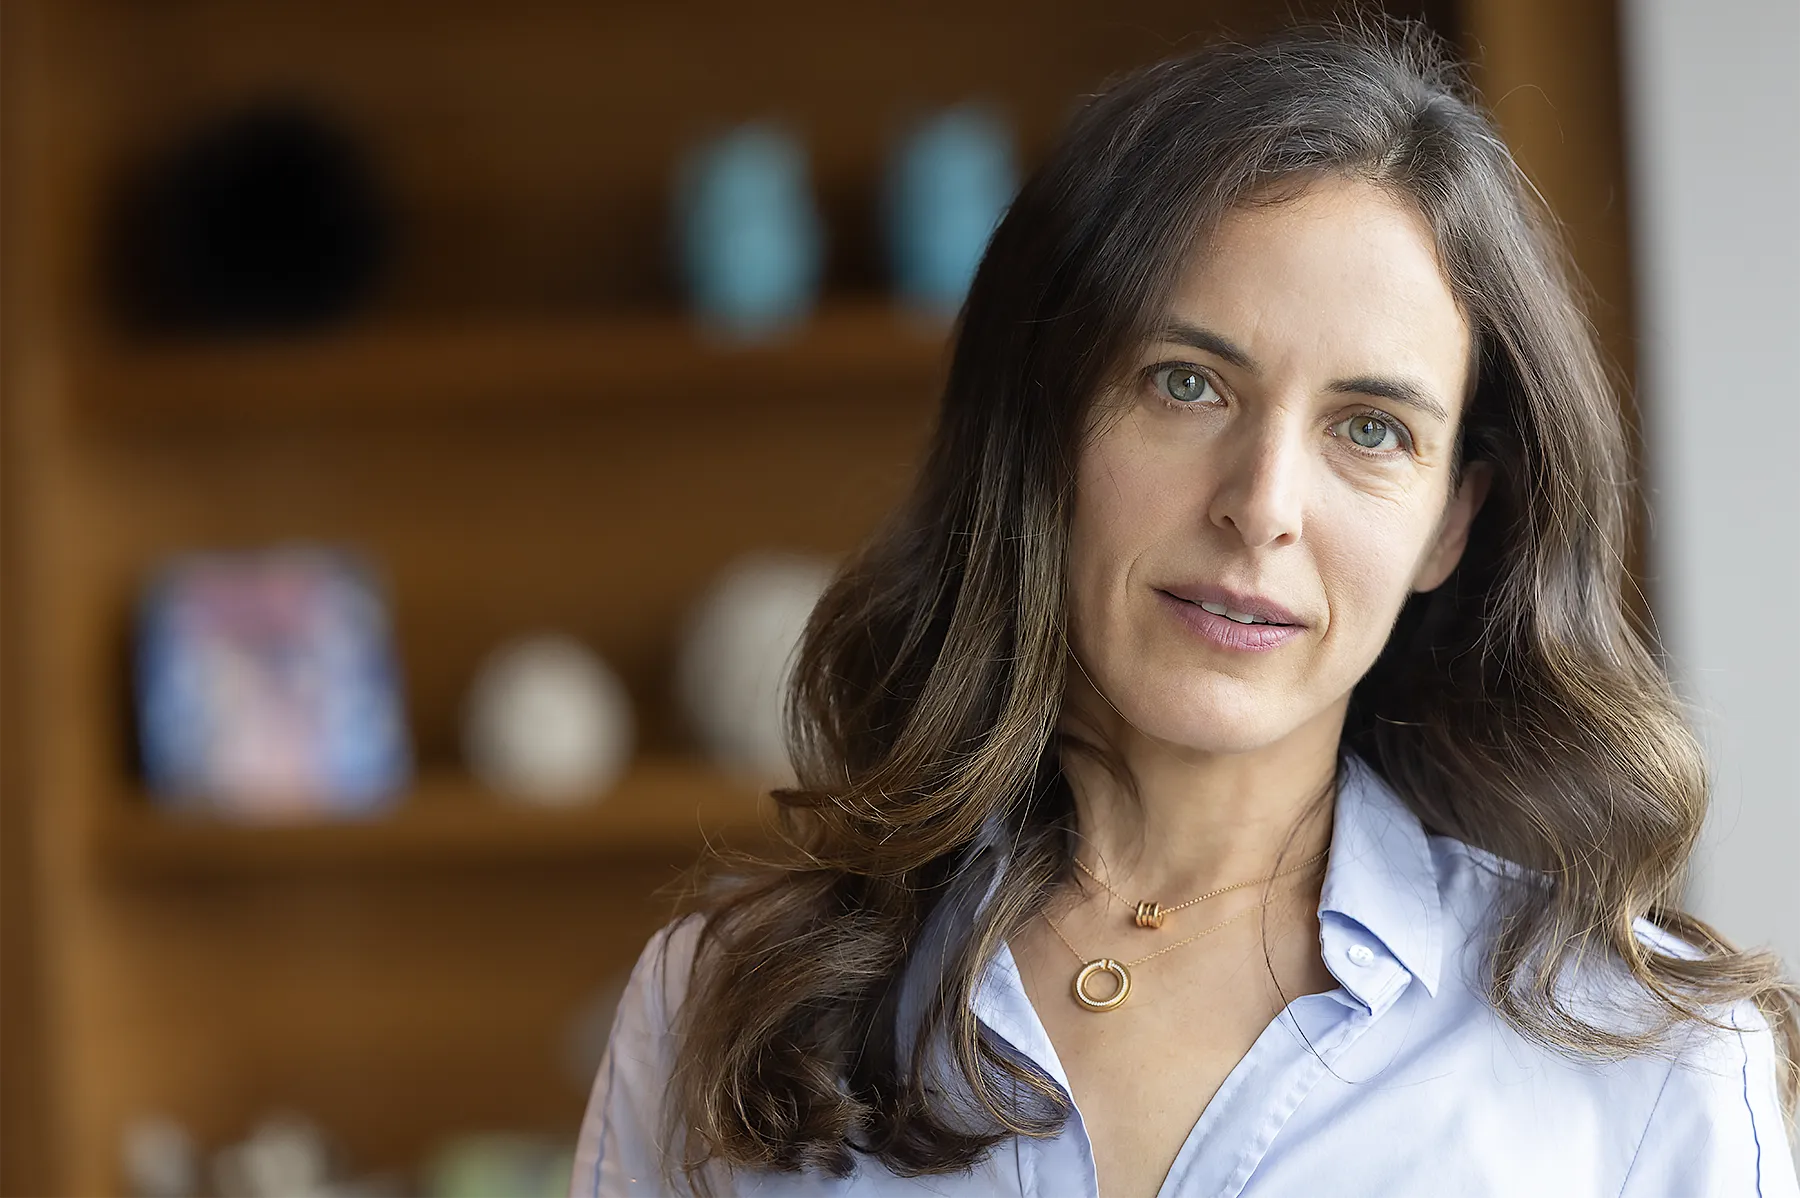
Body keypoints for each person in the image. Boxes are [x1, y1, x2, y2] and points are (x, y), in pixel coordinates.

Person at [573, 21, 1799, 1198]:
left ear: (1451, 521)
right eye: (1187, 384)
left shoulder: (1647, 1058)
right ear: (1046, 425)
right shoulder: (719, 1007)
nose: (1262, 505)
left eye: (1370, 428)